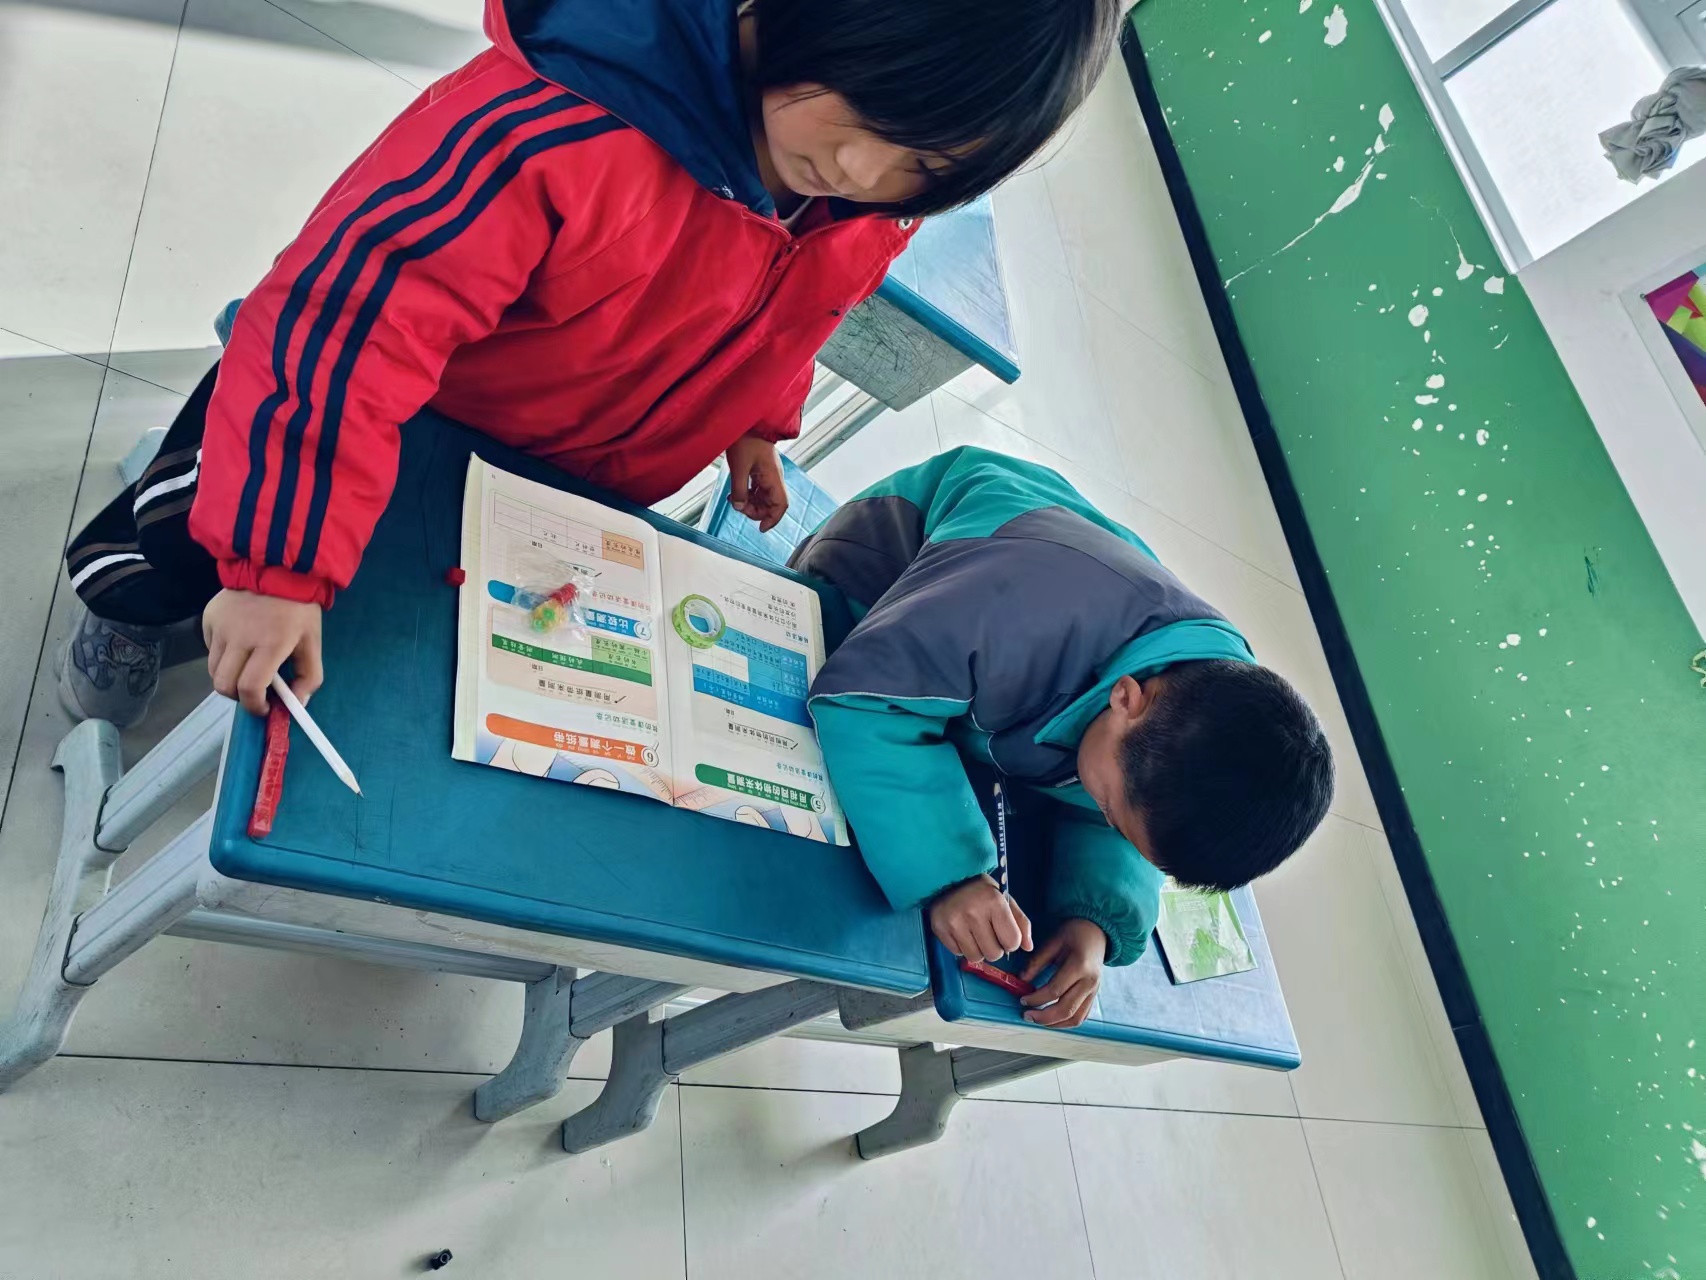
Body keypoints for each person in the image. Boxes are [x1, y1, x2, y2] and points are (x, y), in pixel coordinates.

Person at [61, 0, 1122, 727]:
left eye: (922, 161)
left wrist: (756, 422)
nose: (857, 166)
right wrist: (275, 565)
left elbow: (793, 315)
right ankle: (125, 609)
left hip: (551, 470)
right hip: (376, 419)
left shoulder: (864, 208)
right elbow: (343, 325)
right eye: (865, 105)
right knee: (186, 533)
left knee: (412, 618)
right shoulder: (560, 123)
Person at [791, 448, 1334, 1029]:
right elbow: (864, 700)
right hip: (868, 575)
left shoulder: (1191, 701)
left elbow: (1139, 804)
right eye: (1107, 806)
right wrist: (949, 877)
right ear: (1125, 698)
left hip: (1001, 630)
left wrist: (1095, 921)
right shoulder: (1008, 605)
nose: (1103, 813)